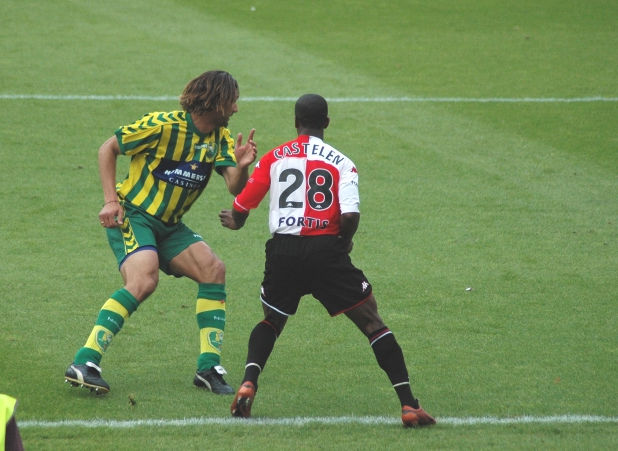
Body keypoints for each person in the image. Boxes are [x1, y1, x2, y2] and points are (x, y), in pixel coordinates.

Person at [218, 94, 435, 426]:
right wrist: (343, 244)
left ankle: (249, 381)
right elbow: (350, 214)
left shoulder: (275, 157)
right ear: (327, 123)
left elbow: (241, 210)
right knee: (372, 322)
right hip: (325, 252)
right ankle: (409, 405)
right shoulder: (342, 162)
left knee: (272, 320)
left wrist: (236, 219)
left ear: (295, 123)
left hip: (283, 251)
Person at [65, 70, 257, 396]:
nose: (236, 109)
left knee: (214, 270)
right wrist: (110, 201)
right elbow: (107, 149)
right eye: (232, 101)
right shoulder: (163, 125)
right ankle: (84, 362)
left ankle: (208, 368)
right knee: (143, 280)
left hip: (170, 226)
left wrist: (242, 166)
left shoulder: (219, 139)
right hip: (135, 216)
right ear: (215, 101)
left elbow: (233, 187)